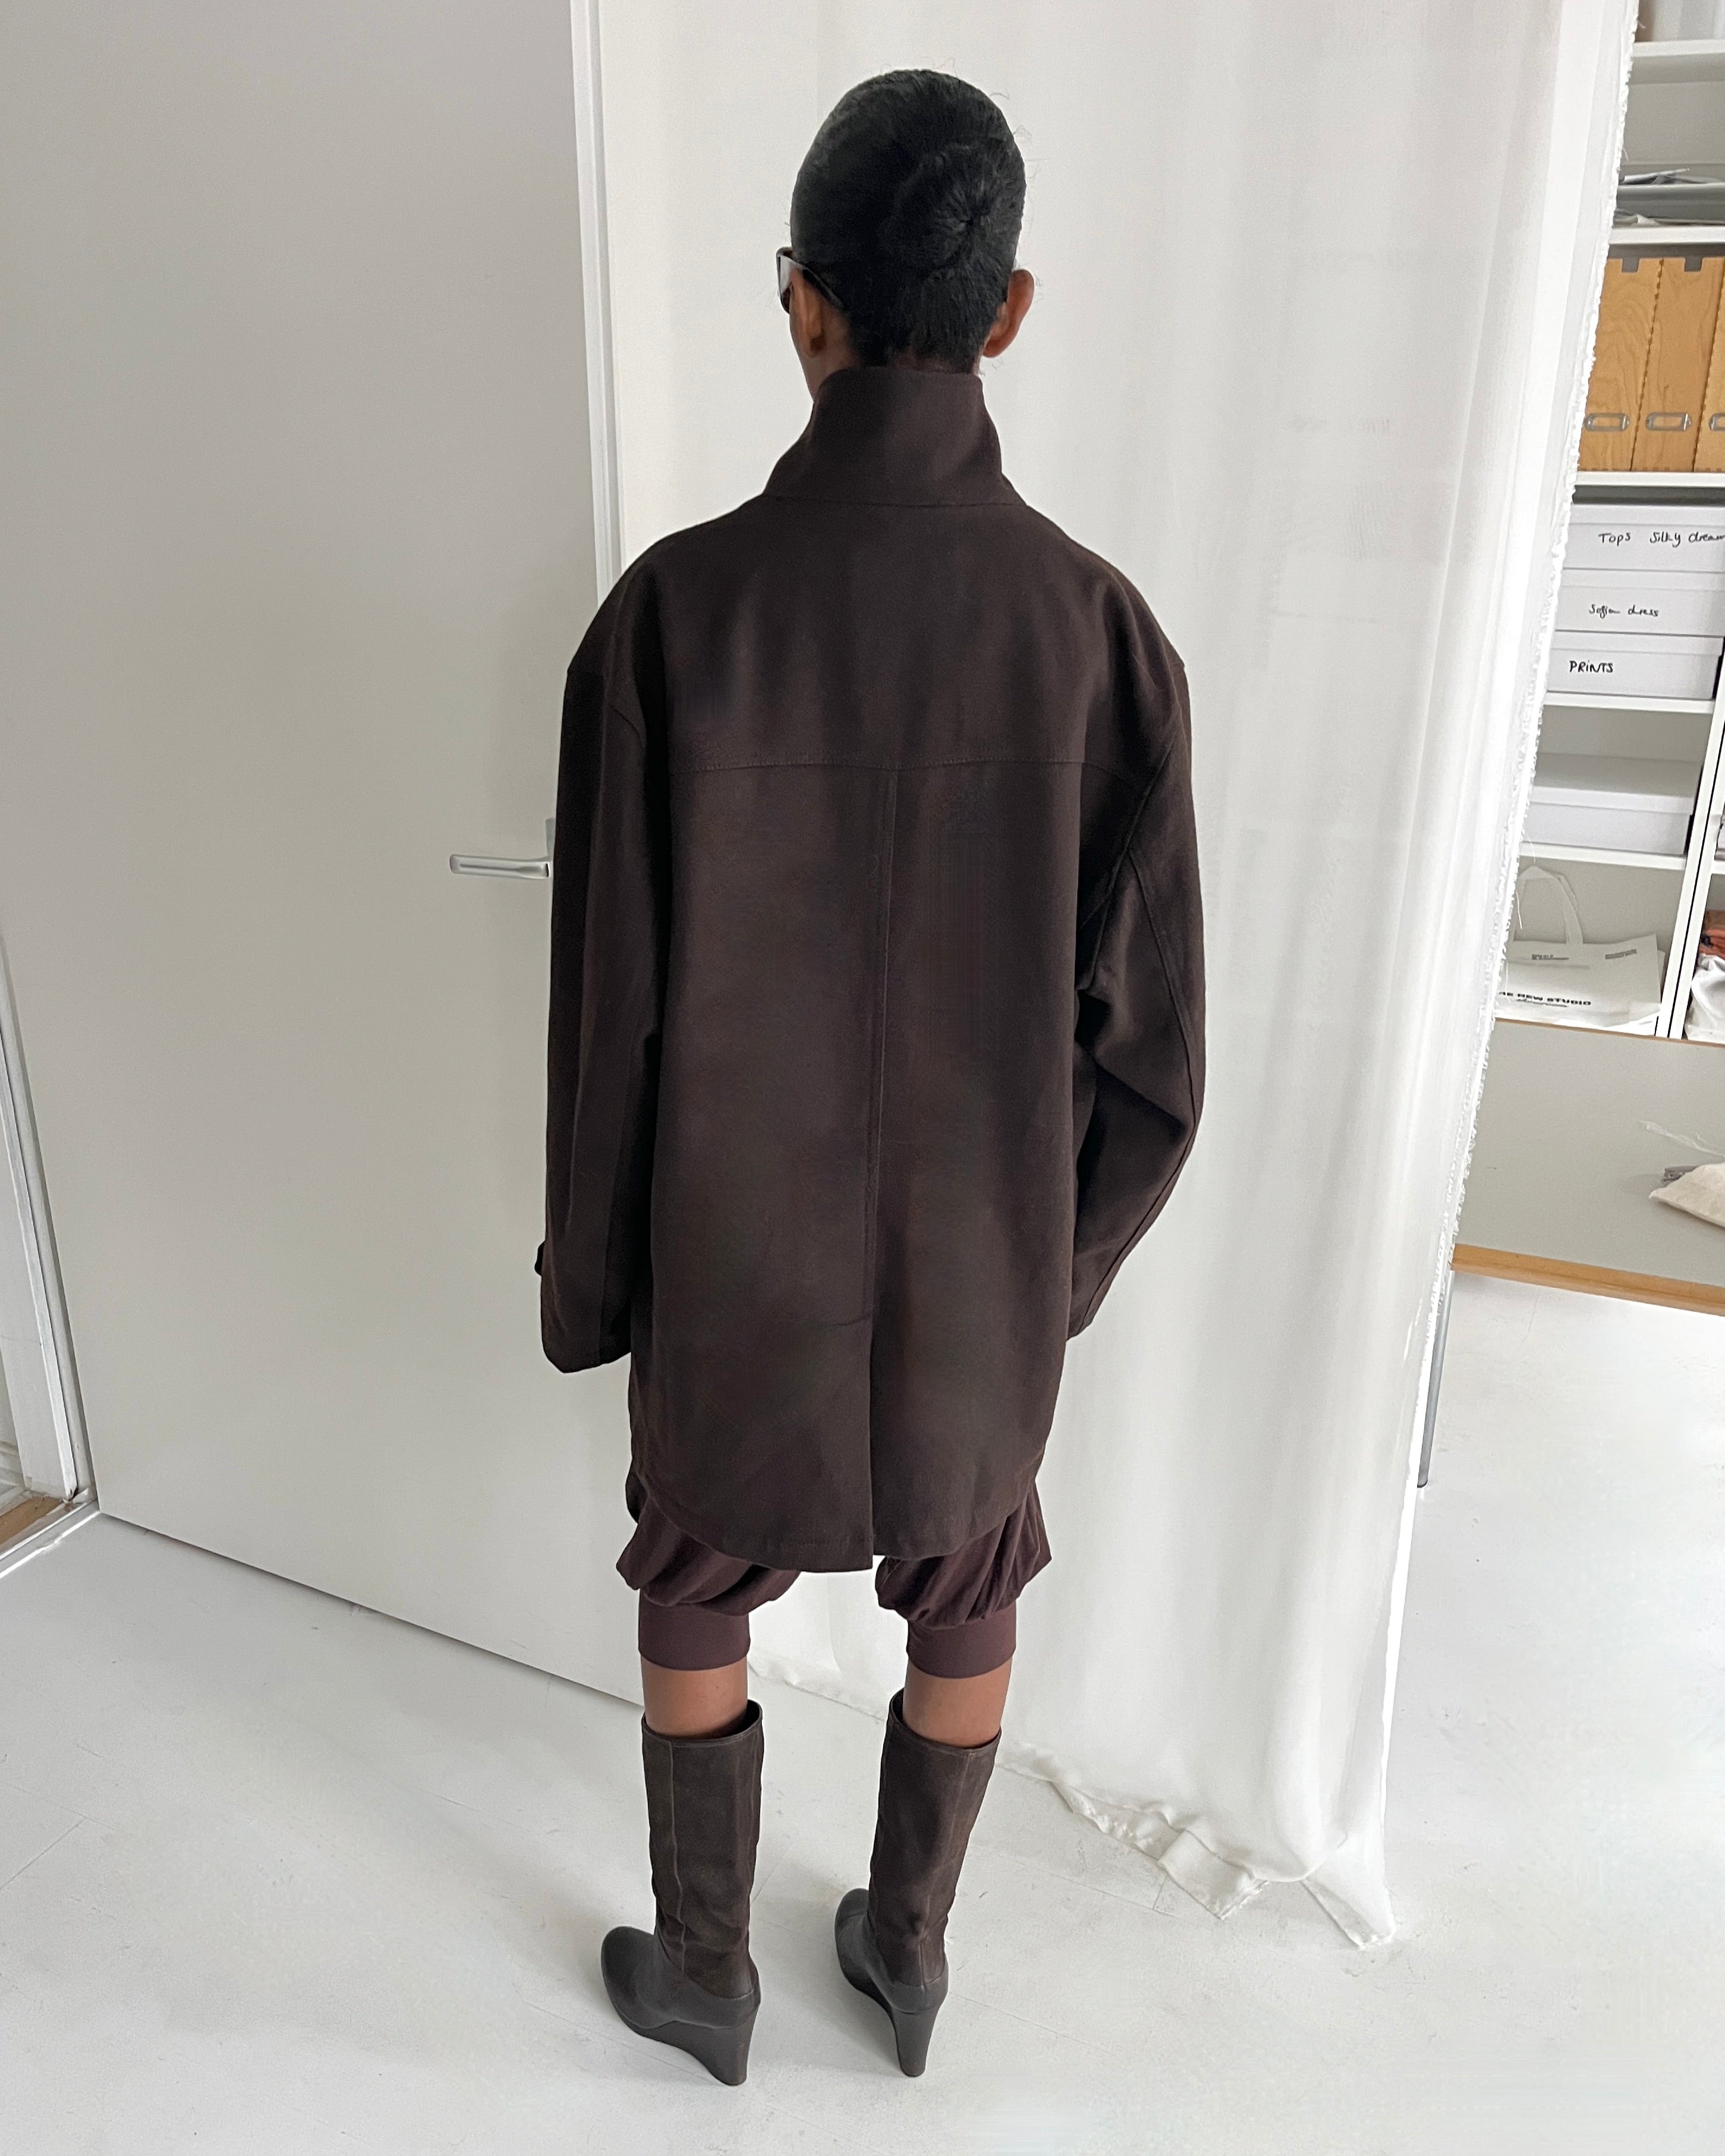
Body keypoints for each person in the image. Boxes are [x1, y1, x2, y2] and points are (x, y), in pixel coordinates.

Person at [540, 68, 1203, 2086]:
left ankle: (708, 1974)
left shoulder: (670, 618)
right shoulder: (1103, 636)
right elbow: (1155, 1059)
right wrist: (1043, 1273)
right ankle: (906, 1951)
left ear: (799, 299)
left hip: (731, 1263)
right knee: (971, 1566)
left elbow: (607, 1021)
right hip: (980, 1278)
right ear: (1009, 310)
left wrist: (601, 1288)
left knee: (694, 1566)